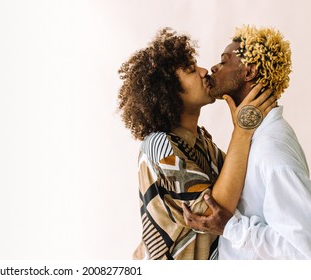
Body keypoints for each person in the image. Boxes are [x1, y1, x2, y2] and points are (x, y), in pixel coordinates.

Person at [117, 27, 276, 260]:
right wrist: (242, 130)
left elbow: (241, 181)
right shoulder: (159, 147)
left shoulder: (200, 141)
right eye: (191, 70)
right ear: (169, 90)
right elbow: (215, 213)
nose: (204, 71)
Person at [182, 25, 311, 259]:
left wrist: (230, 227)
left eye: (224, 61)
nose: (213, 67)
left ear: (249, 72)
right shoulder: (251, 137)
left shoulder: (272, 148)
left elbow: (303, 252)